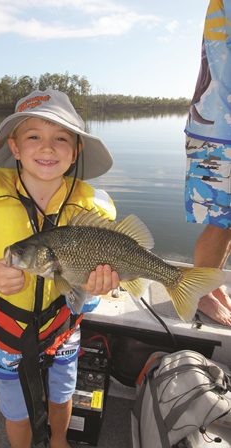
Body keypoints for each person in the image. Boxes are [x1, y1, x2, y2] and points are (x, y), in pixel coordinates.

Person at [0, 89, 120, 448]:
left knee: (62, 396)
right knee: (16, 411)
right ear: (15, 146)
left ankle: (59, 443)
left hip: (63, 331)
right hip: (6, 336)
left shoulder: (91, 215)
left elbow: (82, 302)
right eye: (34, 136)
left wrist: (96, 290)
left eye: (61, 139)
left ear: (75, 152)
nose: (48, 148)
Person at [184, 0, 231, 326]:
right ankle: (201, 292)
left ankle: (210, 284)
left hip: (217, 120)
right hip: (220, 124)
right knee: (221, 217)